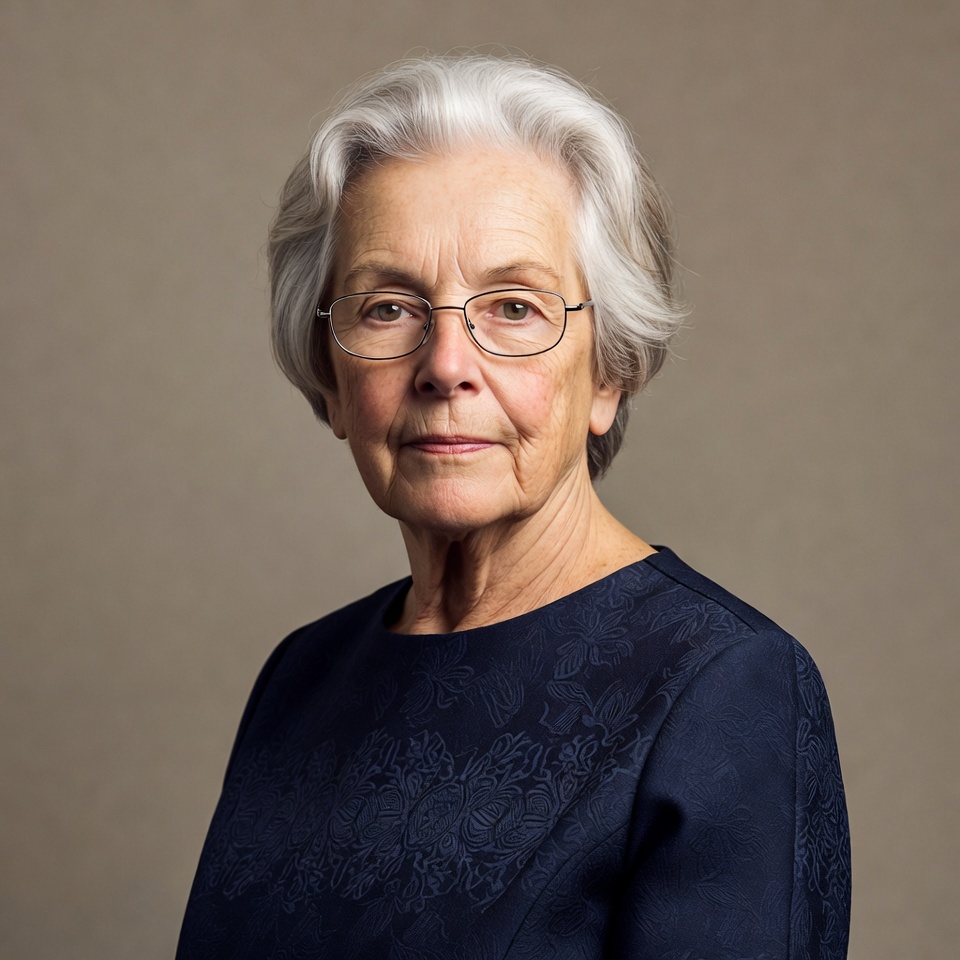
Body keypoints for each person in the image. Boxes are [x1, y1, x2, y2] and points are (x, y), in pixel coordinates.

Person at [176, 55, 851, 959]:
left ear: (610, 371)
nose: (446, 363)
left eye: (514, 308)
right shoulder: (301, 679)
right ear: (329, 380)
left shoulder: (724, 692)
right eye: (387, 307)